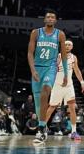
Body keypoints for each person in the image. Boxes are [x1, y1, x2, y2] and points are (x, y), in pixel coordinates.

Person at [28, 10, 69, 144]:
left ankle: (40, 130)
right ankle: (43, 127)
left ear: (55, 21)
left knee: (45, 91)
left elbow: (63, 56)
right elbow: (30, 53)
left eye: (53, 17)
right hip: (37, 68)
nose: (50, 19)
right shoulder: (36, 33)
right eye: (48, 17)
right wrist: (33, 70)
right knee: (39, 104)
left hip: (50, 68)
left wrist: (65, 74)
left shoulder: (60, 34)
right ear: (44, 20)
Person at [48, 39, 84, 142]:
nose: (67, 46)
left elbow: (77, 71)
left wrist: (82, 83)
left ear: (72, 47)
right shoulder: (58, 56)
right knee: (51, 107)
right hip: (57, 85)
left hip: (69, 86)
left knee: (72, 108)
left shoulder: (74, 57)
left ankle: (74, 132)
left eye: (69, 45)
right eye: (65, 44)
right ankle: (42, 129)